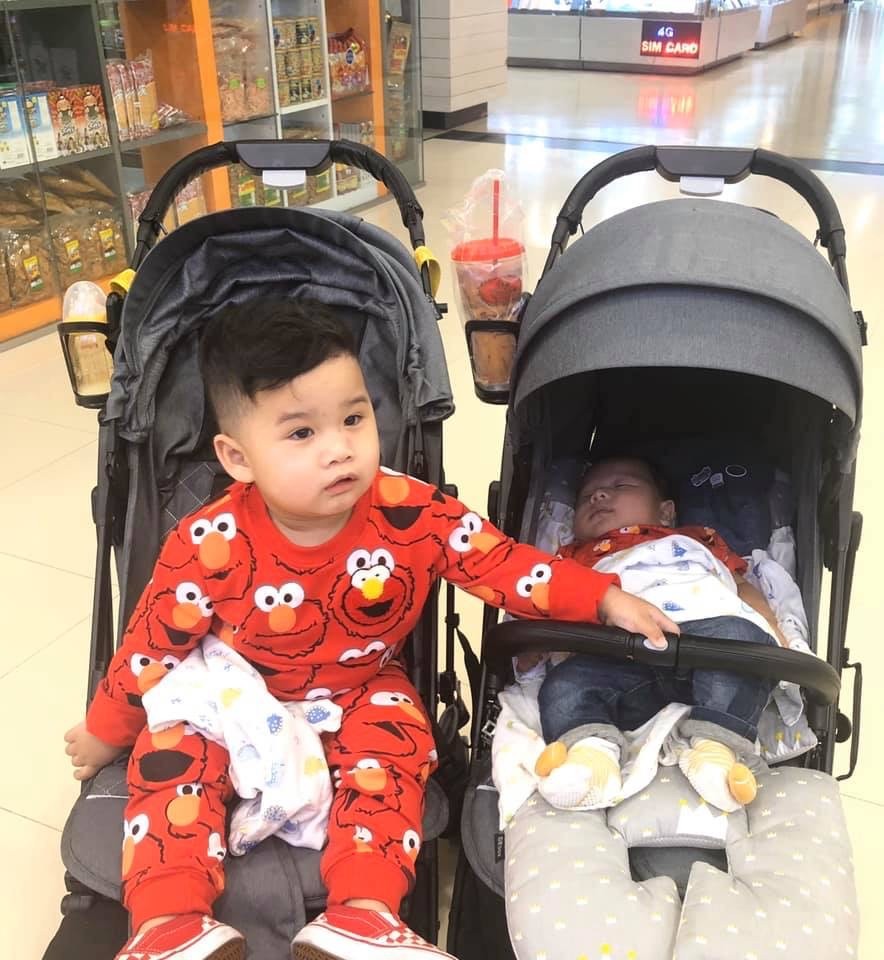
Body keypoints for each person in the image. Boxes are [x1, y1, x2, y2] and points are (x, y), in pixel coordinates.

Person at [62, 301, 674, 960]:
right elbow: (152, 647)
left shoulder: (412, 513)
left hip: (359, 682)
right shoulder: (210, 541)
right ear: (238, 458)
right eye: (302, 433)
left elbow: (501, 562)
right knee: (171, 749)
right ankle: (168, 921)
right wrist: (105, 729)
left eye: (354, 418)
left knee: (398, 739)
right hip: (233, 687)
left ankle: (362, 913)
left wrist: (600, 596)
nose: (340, 448)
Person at [530, 456, 786, 813]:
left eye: (620, 486)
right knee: (564, 685)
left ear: (666, 512)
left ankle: (715, 749)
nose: (599, 496)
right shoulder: (570, 557)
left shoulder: (698, 539)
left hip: (707, 638)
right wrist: (533, 645)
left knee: (745, 641)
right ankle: (591, 755)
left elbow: (741, 586)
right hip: (618, 654)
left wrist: (772, 627)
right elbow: (547, 596)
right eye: (587, 495)